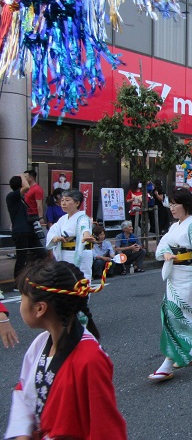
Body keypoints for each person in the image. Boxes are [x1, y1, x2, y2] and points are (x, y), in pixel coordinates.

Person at [5, 260, 127, 439]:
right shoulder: (40, 343)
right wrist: (22, 433)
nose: (20, 305)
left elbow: (105, 428)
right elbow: (23, 390)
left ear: (40, 308)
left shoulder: (90, 359)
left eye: (23, 299)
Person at [150, 189, 192, 381]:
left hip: (189, 276)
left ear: (186, 205)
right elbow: (163, 244)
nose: (171, 208)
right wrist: (165, 253)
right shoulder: (175, 227)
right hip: (174, 275)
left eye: (175, 204)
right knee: (172, 312)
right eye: (170, 204)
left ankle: (168, 362)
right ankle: (191, 353)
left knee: (181, 315)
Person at [6, 175, 46, 286]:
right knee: (21, 257)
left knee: (42, 253)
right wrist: (22, 176)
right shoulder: (12, 196)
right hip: (20, 231)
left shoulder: (21, 199)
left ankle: (37, 276)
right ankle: (18, 283)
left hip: (29, 230)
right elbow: (27, 188)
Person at [46, 190, 95, 280]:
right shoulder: (62, 219)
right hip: (64, 253)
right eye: (62, 200)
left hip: (80, 252)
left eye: (67, 200)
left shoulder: (82, 217)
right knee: (66, 278)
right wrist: (55, 238)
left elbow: (84, 227)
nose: (63, 203)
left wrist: (86, 235)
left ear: (77, 203)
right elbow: (53, 230)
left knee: (81, 277)